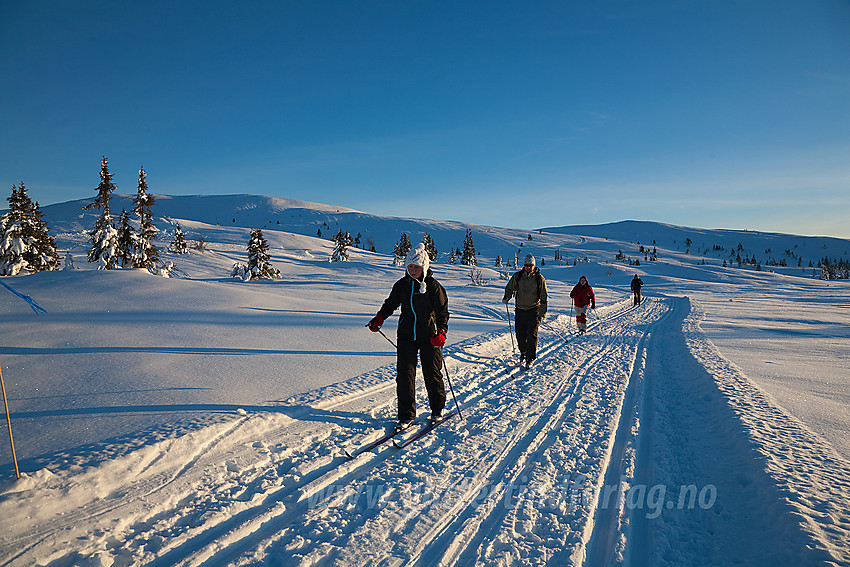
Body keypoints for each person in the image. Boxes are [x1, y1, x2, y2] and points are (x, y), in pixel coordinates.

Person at [368, 243, 449, 429]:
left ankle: (437, 409)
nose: (413, 270)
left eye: (416, 267)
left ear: (424, 267)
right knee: (405, 375)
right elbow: (391, 304)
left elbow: (443, 313)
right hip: (406, 335)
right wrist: (379, 318)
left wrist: (442, 332)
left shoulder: (434, 287)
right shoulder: (402, 285)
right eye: (410, 266)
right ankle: (406, 415)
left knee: (432, 372)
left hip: (430, 335)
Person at [502, 254, 548, 367]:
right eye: (526, 265)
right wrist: (507, 296)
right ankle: (523, 352)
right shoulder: (518, 276)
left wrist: (542, 313)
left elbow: (544, 297)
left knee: (531, 335)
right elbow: (509, 288)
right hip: (520, 309)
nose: (528, 267)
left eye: (530, 265)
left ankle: (530, 358)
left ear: (534, 265)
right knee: (520, 334)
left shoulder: (539, 279)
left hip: (533, 309)